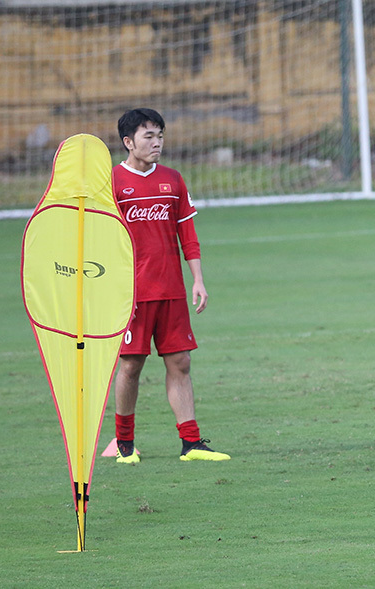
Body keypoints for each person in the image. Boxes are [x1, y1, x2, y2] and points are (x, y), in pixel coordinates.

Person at [111, 108, 230, 463]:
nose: (157, 142)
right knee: (131, 366)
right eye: (148, 136)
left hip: (172, 290)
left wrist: (198, 280)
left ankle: (191, 444)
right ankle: (124, 444)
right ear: (128, 142)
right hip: (131, 294)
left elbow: (187, 236)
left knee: (180, 362)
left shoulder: (173, 180)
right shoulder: (111, 183)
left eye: (160, 135)